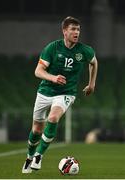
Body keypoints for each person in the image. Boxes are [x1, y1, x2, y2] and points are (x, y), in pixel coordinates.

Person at [22, 16, 98, 173]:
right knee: (36, 130)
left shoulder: (84, 50)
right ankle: (29, 157)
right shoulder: (52, 48)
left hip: (66, 93)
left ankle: (38, 156)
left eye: (78, 29)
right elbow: (38, 71)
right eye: (73, 29)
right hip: (45, 91)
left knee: (53, 117)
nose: (76, 32)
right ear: (64, 31)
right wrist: (53, 78)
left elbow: (94, 62)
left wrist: (91, 84)